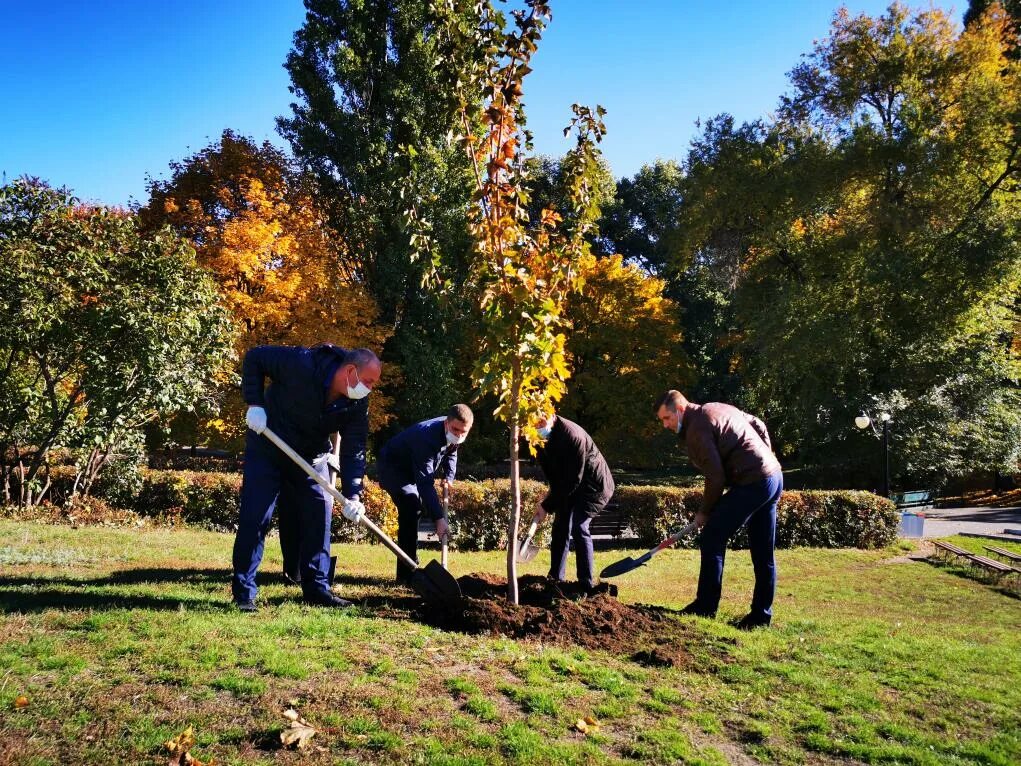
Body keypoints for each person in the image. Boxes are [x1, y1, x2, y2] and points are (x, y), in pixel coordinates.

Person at [231, 344, 381, 612]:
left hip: (311, 459)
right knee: (256, 516)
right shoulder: (302, 363)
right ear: (350, 371)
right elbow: (255, 358)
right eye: (368, 381)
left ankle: (317, 589)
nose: (369, 388)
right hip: (269, 446)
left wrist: (354, 494)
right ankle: (244, 592)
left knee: (318, 516)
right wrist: (255, 403)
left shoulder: (357, 404)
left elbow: (354, 448)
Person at [654, 390, 783, 629]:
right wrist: (767, 455)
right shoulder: (717, 406)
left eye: (667, 418)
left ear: (680, 409)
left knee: (713, 537)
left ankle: (705, 607)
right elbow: (758, 423)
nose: (665, 425)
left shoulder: (697, 430)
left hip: (753, 483)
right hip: (773, 477)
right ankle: (761, 616)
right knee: (763, 551)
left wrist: (704, 512)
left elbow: (715, 477)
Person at [376, 405, 473, 584]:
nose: (459, 435)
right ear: (446, 423)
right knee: (411, 508)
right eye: (456, 430)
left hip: (410, 470)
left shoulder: (454, 430)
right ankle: (406, 573)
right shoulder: (426, 438)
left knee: (414, 511)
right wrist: (438, 519)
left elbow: (452, 451)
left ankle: (410, 563)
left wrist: (448, 476)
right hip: (393, 468)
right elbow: (425, 483)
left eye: (463, 432)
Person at [530, 410, 615, 593]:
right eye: (534, 424)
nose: (538, 428)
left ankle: (585, 582)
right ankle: (555, 579)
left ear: (552, 417)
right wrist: (550, 499)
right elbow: (552, 473)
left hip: (594, 486)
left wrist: (547, 505)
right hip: (570, 485)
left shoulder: (572, 436)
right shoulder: (536, 438)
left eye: (541, 423)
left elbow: (573, 480)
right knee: (560, 526)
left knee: (579, 525)